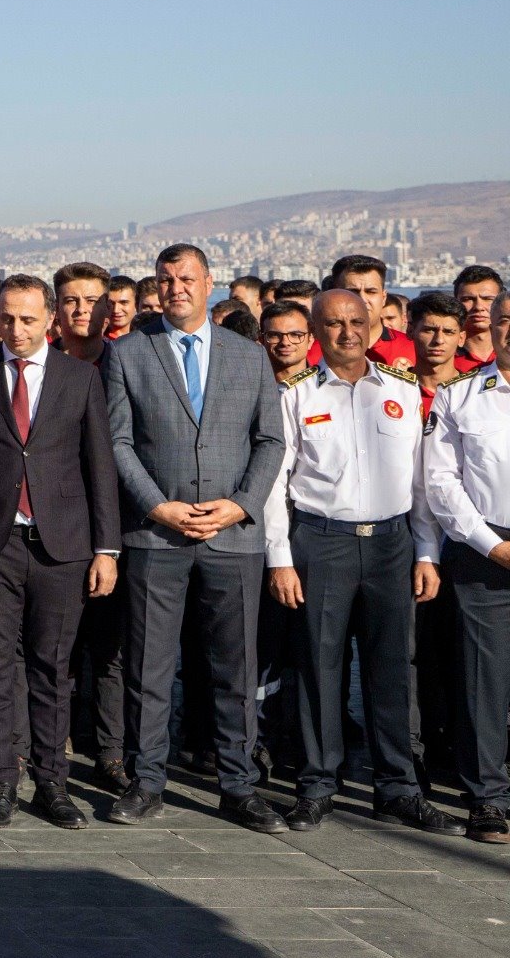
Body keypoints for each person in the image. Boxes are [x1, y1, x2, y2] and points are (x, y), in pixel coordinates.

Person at [102, 243, 288, 832]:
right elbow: (117, 441)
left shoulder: (248, 356)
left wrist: (240, 505)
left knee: (235, 670)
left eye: (186, 278)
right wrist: (157, 506)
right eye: (165, 280)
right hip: (156, 536)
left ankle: (239, 786)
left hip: (232, 537)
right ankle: (146, 782)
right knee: (149, 668)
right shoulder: (128, 353)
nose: (175, 288)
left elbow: (271, 440)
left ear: (210, 283)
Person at [263, 289, 449, 833]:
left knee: (392, 668)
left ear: (372, 326)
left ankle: (397, 787)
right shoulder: (295, 394)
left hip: (392, 543)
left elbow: (421, 483)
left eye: (356, 321)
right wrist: (280, 559)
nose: (347, 333)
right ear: (316, 331)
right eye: (334, 323)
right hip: (322, 541)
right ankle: (318, 784)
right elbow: (275, 485)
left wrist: (427, 551)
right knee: (318, 667)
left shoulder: (402, 390)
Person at [0, 275, 119, 830]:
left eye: (27, 318)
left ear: (50, 319)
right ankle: (2, 781)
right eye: (6, 318)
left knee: (53, 667)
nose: (16, 329)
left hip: (63, 545)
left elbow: (99, 464)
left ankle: (52, 783)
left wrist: (107, 548)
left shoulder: (79, 377)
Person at [424, 331, 510, 844]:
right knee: (483, 679)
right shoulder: (459, 395)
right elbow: (441, 481)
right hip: (484, 549)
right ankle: (488, 797)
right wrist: (490, 545)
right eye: (506, 319)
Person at [457, 267, 504, 373]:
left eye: (488, 299)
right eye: (468, 299)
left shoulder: (506, 356)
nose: (478, 307)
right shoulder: (442, 357)